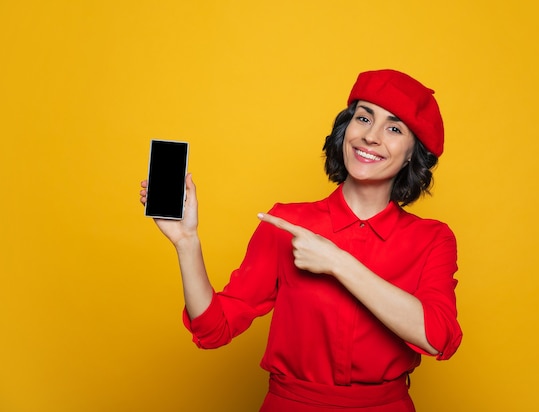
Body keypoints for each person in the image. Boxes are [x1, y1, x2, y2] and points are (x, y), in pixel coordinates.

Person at [139, 69, 462, 411]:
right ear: (345, 129)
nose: (371, 136)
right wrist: (186, 241)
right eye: (363, 118)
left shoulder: (433, 239)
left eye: (394, 128)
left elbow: (438, 337)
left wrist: (337, 263)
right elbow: (213, 329)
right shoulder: (286, 224)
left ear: (413, 153)